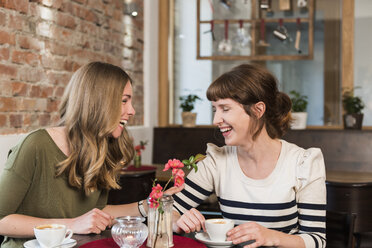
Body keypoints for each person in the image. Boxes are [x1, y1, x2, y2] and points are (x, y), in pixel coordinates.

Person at [0, 62, 180, 248]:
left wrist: (150, 205)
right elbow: (1, 219)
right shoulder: (35, 145)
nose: (132, 111)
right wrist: (72, 224)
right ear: (99, 101)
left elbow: (97, 212)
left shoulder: (102, 147)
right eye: (124, 101)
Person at [172, 64, 326, 248]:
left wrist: (271, 237)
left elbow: (317, 240)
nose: (216, 120)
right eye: (215, 109)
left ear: (258, 110)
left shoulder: (303, 163)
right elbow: (168, 210)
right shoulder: (217, 160)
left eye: (225, 109)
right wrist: (176, 221)